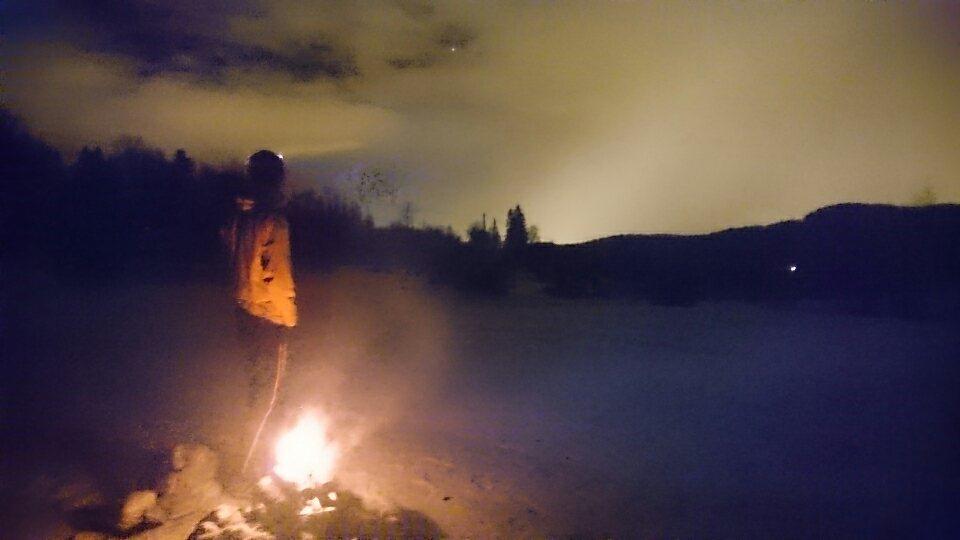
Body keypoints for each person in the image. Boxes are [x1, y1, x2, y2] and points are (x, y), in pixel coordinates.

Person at [222, 150, 297, 475]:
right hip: (268, 316)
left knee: (257, 388)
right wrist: (287, 317)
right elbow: (276, 274)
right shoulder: (272, 221)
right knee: (270, 396)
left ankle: (250, 460)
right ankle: (251, 470)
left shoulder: (239, 218)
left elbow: (237, 258)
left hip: (245, 311)